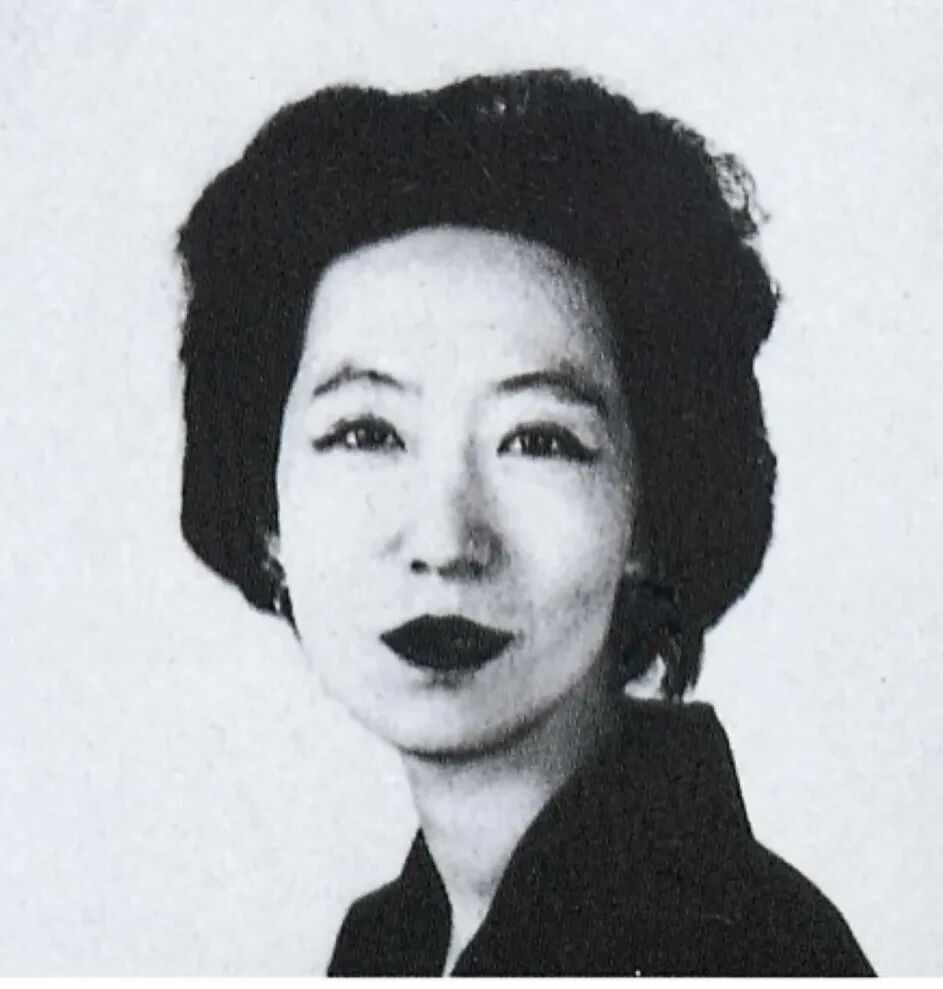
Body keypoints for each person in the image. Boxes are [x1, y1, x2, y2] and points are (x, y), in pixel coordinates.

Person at [175, 70, 874, 976]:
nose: (443, 543)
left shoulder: (742, 944)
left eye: (538, 440)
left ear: (650, 516)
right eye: (365, 433)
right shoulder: (392, 941)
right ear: (266, 511)